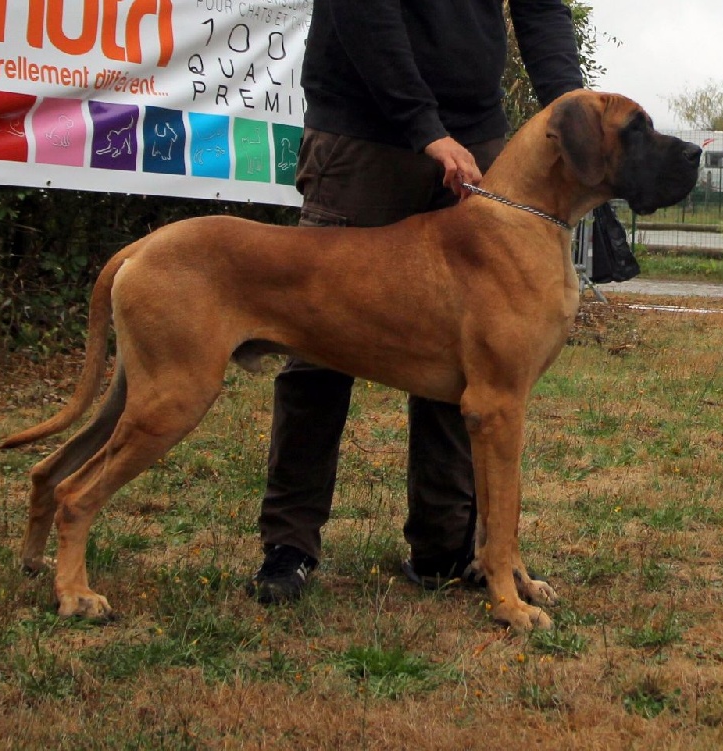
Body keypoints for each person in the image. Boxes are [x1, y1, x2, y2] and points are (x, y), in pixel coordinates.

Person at [247, 0, 584, 603]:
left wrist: (574, 113)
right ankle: (290, 545)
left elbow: (541, 10)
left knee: (476, 358)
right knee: (315, 339)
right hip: (364, 129)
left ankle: (446, 548)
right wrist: (425, 128)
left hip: (476, 133)